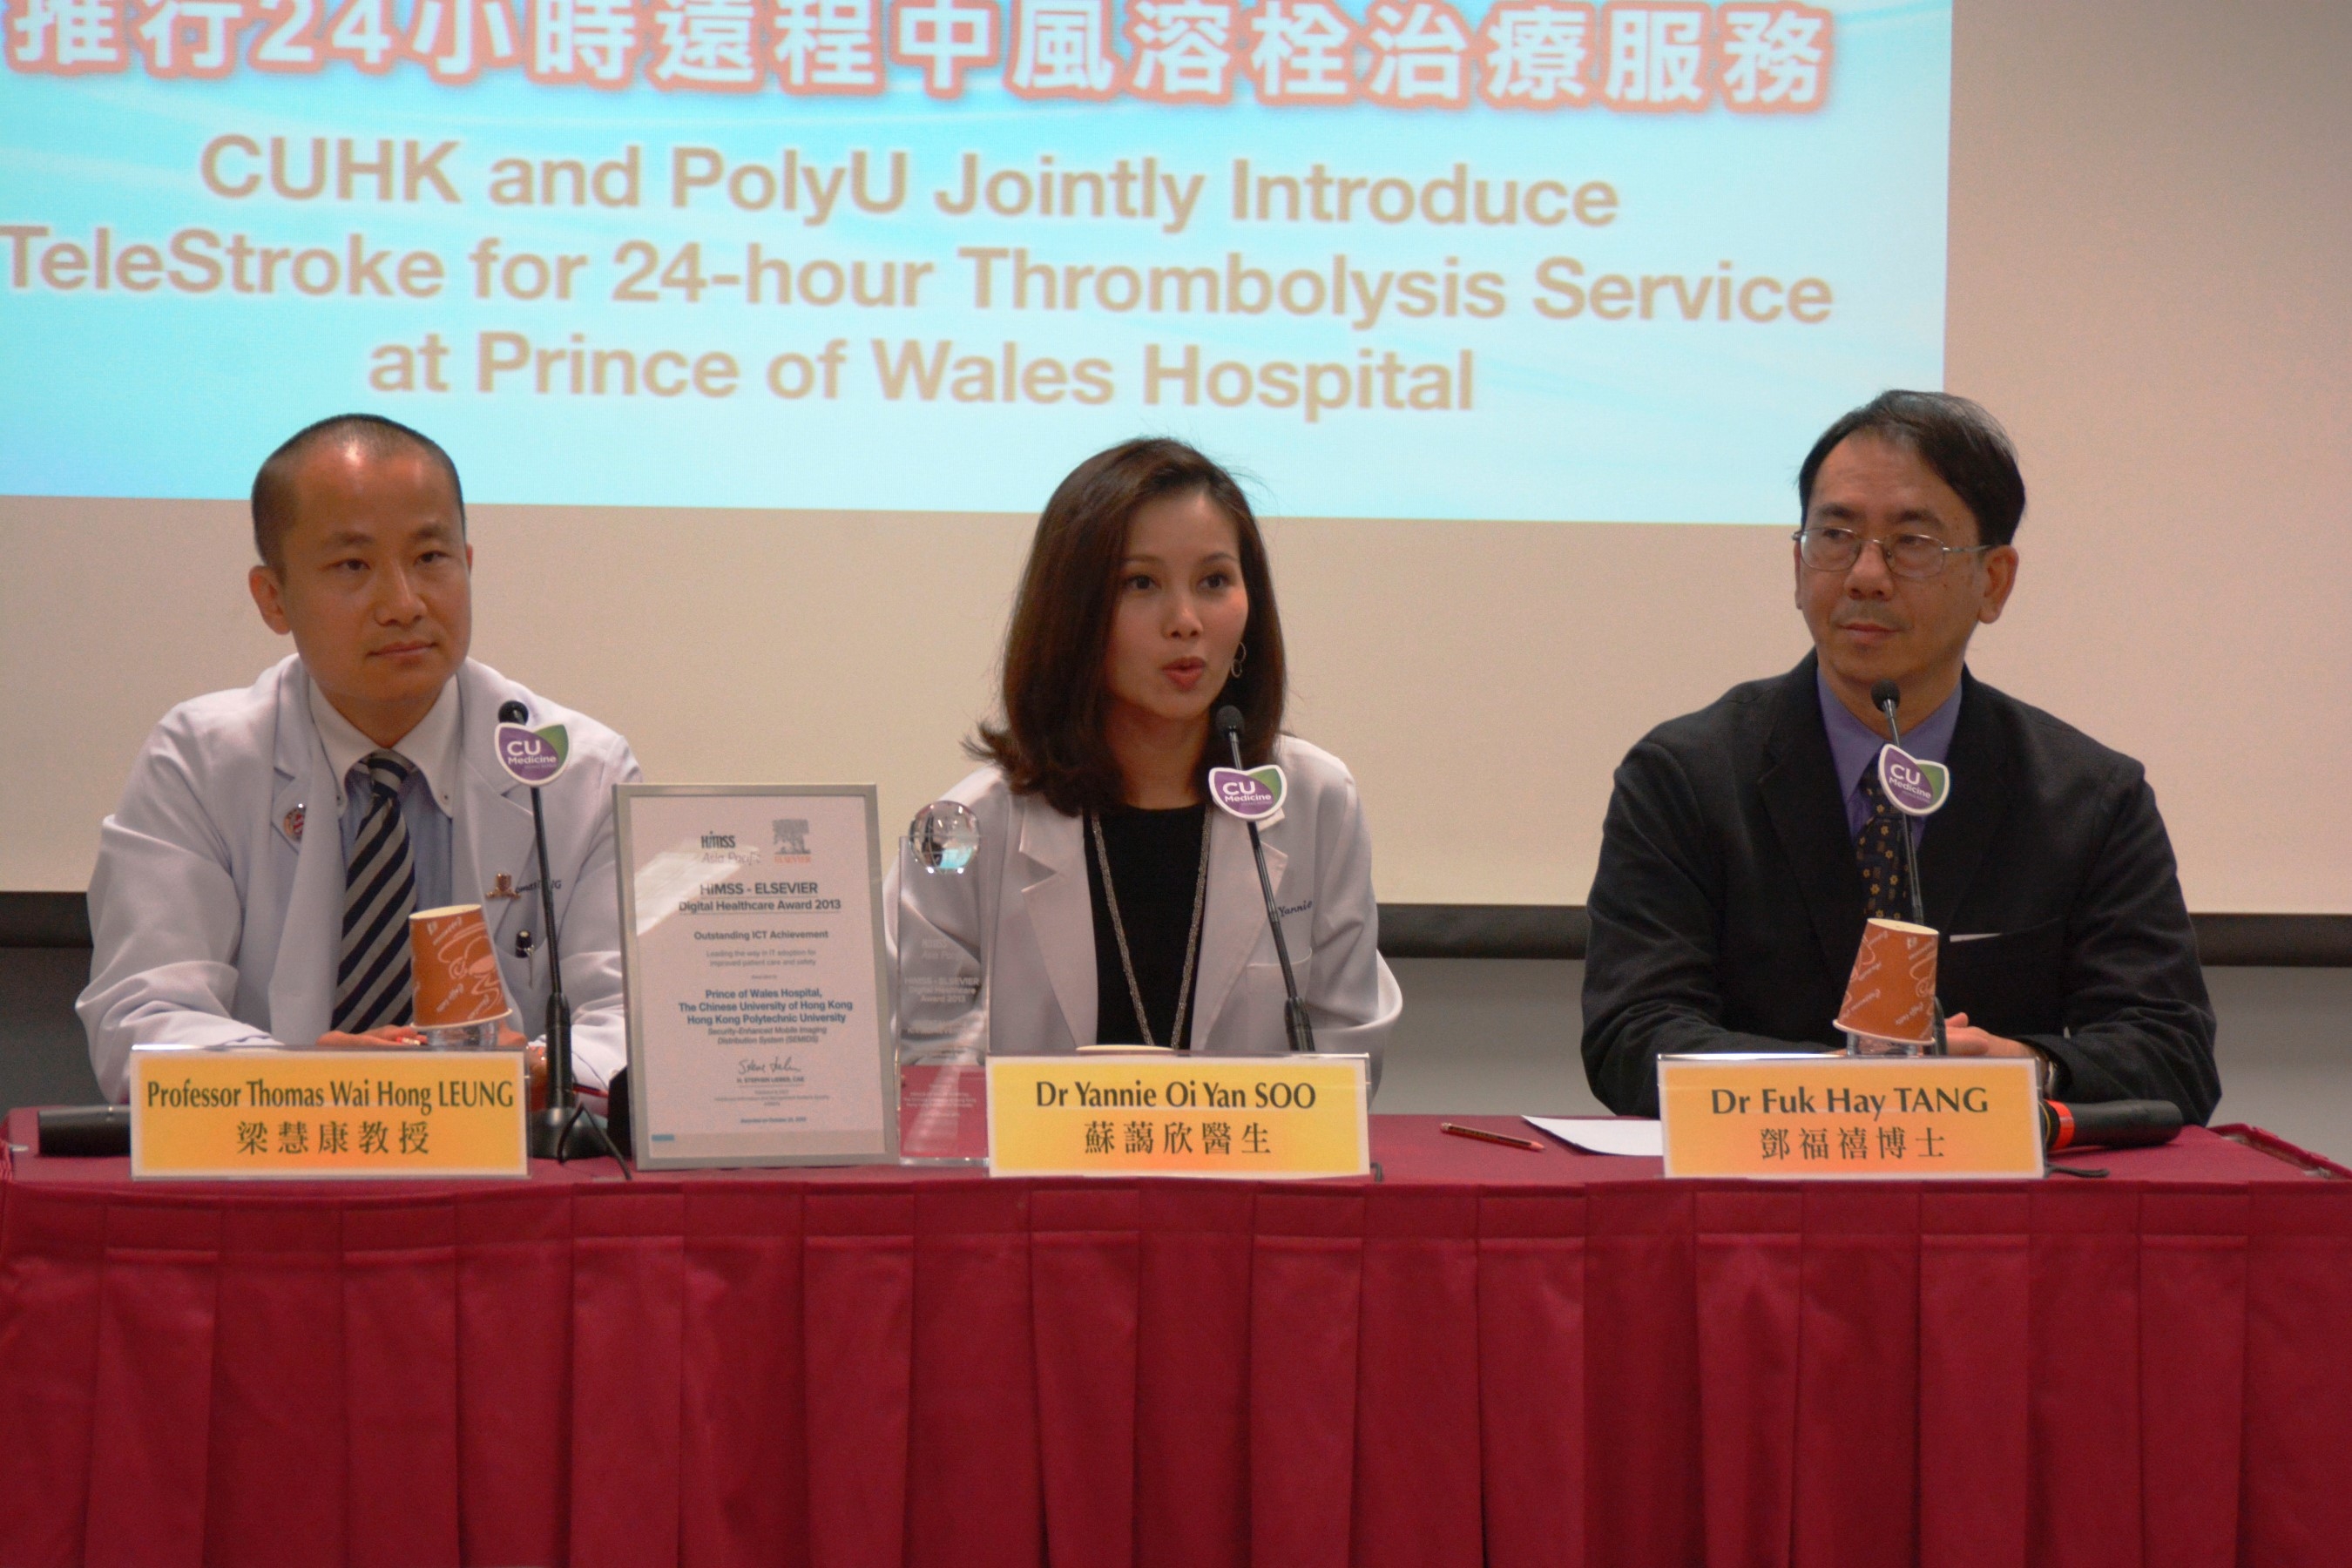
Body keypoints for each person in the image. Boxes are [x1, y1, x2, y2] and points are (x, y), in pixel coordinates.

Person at [1581, 390, 2218, 1120]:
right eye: (1835, 536)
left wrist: (2028, 1067)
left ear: (1995, 580)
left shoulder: (2089, 797)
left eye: (1913, 543)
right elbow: (1631, 1036)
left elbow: (2174, 1054)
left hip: (1992, 1219)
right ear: (1798, 566)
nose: (1865, 574)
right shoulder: (1685, 776)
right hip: (1752, 1208)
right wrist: (1848, 1091)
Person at [78, 414, 641, 1103]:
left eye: (431, 559)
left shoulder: (577, 769)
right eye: (353, 565)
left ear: (468, 564)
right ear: (273, 598)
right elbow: (139, 1020)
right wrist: (320, 1083)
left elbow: (637, 1023)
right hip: (279, 1177)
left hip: (514, 1181)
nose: (403, 605)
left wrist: (523, 1073)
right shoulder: (201, 761)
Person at [890, 436, 1400, 1071]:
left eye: (1215, 580)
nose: (1185, 620)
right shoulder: (965, 828)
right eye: (1141, 583)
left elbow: (1348, 1053)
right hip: (1038, 1171)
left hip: (1246, 1169)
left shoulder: (1318, 799)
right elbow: (924, 1067)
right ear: (1074, 615)